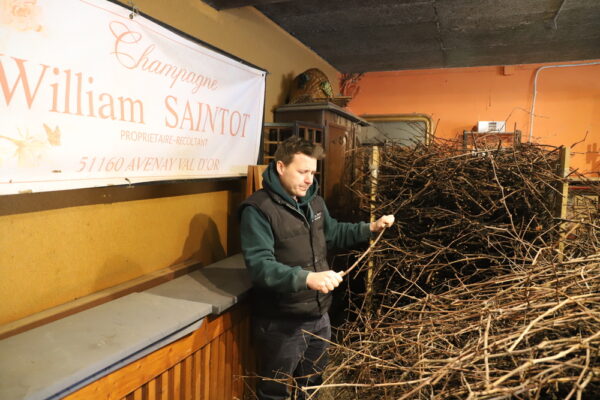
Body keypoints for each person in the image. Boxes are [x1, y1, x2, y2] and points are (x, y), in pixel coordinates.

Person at [239, 136, 394, 400]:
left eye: (312, 172)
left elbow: (334, 233)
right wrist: (307, 278)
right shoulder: (258, 210)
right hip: (281, 320)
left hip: (319, 314)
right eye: (302, 171)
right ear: (280, 167)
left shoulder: (315, 203)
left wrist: (371, 227)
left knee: (312, 385)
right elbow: (260, 267)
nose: (309, 179)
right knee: (274, 391)